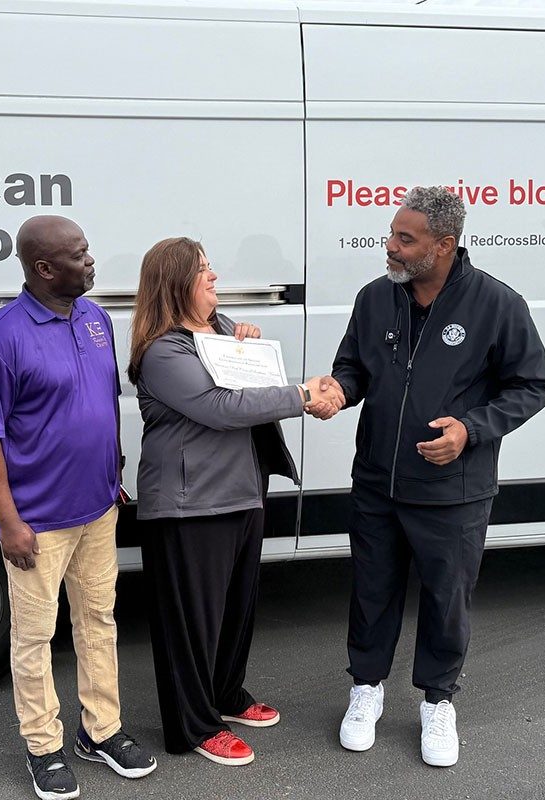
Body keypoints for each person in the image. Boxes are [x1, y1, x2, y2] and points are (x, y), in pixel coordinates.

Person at [318, 187, 545, 767]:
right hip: (378, 480)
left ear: (443, 245)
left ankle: (438, 700)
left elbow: (533, 385)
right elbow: (354, 367)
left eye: (406, 239)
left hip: (453, 491)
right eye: (392, 234)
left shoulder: (496, 304)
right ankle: (366, 689)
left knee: (447, 599)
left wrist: (470, 430)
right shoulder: (375, 299)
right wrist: (339, 390)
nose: (390, 246)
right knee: (371, 590)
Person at [128, 237, 343, 766]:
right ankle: (195, 727)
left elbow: (249, 386)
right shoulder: (162, 350)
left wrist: (245, 346)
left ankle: (225, 696)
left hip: (242, 492)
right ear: (177, 282)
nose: (215, 277)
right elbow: (220, 406)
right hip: (188, 505)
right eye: (203, 271)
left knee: (233, 613)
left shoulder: (219, 329)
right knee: (192, 624)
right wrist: (303, 394)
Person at [0, 215, 156, 800]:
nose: (91, 260)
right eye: (80, 254)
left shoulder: (96, 320)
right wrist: (9, 521)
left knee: (99, 623)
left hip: (98, 509)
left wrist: (113, 473)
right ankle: (43, 746)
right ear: (45, 268)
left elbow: (102, 404)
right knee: (35, 636)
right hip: (37, 524)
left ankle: (100, 731)